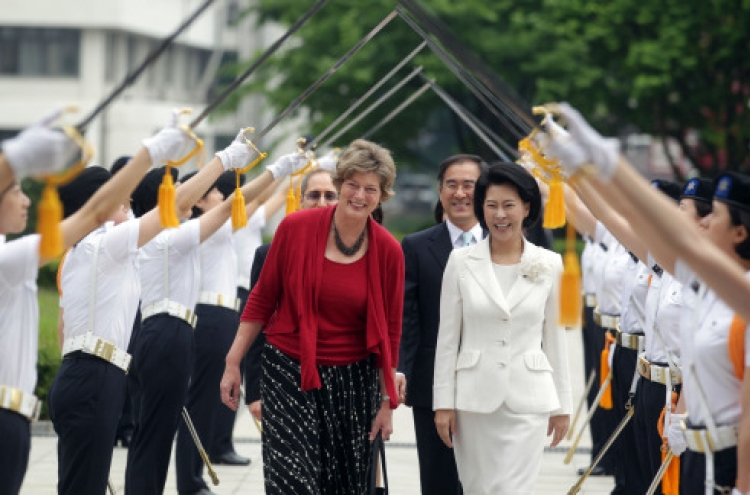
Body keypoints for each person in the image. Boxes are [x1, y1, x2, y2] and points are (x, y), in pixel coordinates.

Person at [538, 103, 750, 494]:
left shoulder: (737, 292)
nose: (705, 224)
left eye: (714, 216)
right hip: (690, 439)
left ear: (740, 233)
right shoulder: (708, 283)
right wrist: (596, 166)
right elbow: (641, 225)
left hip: (726, 463)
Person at [0, 114, 189, 495]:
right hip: (89, 378)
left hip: (83, 380)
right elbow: (103, 213)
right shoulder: (99, 246)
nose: (25, 200)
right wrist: (151, 154)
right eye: (15, 190)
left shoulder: (83, 250)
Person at [220, 139, 404, 494]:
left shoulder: (389, 252)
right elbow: (261, 298)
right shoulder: (295, 229)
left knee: (345, 485)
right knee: (292, 482)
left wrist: (387, 404)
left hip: (355, 381)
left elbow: (391, 333)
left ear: (382, 196)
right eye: (352, 184)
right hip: (290, 370)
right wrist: (233, 361)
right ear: (339, 185)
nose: (359, 195)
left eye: (371, 189)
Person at [433, 162, 572, 494]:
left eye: (508, 205)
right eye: (491, 205)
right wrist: (443, 403)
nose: (500, 215)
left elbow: (556, 339)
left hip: (529, 402)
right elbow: (448, 339)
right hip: (474, 403)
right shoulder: (461, 262)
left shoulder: (550, 264)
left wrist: (563, 406)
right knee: (480, 488)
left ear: (526, 207)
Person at [397, 154, 485, 495]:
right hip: (433, 382)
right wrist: (400, 368)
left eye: (469, 185)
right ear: (440, 190)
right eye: (452, 184)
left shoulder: (504, 246)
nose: (460, 193)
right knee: (439, 481)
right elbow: (407, 315)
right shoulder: (417, 247)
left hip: (489, 382)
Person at [243, 167, 340, 423]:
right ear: (300, 200)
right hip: (285, 377)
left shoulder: (362, 252)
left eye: (330, 195)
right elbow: (257, 321)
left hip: (343, 378)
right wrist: (254, 391)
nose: (321, 202)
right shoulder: (269, 254)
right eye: (314, 195)